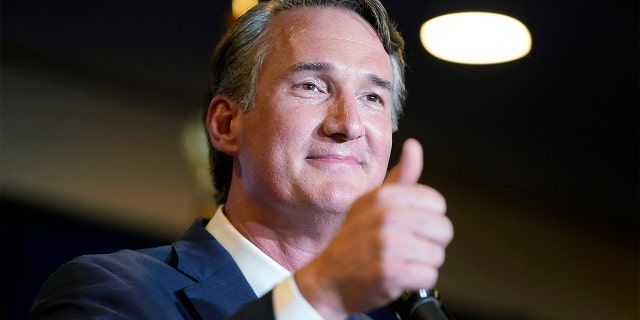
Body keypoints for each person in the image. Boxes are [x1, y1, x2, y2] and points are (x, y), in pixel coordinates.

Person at [29, 0, 454, 319]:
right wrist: (318, 294)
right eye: (311, 86)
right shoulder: (108, 292)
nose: (349, 124)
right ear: (227, 124)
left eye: (372, 97)